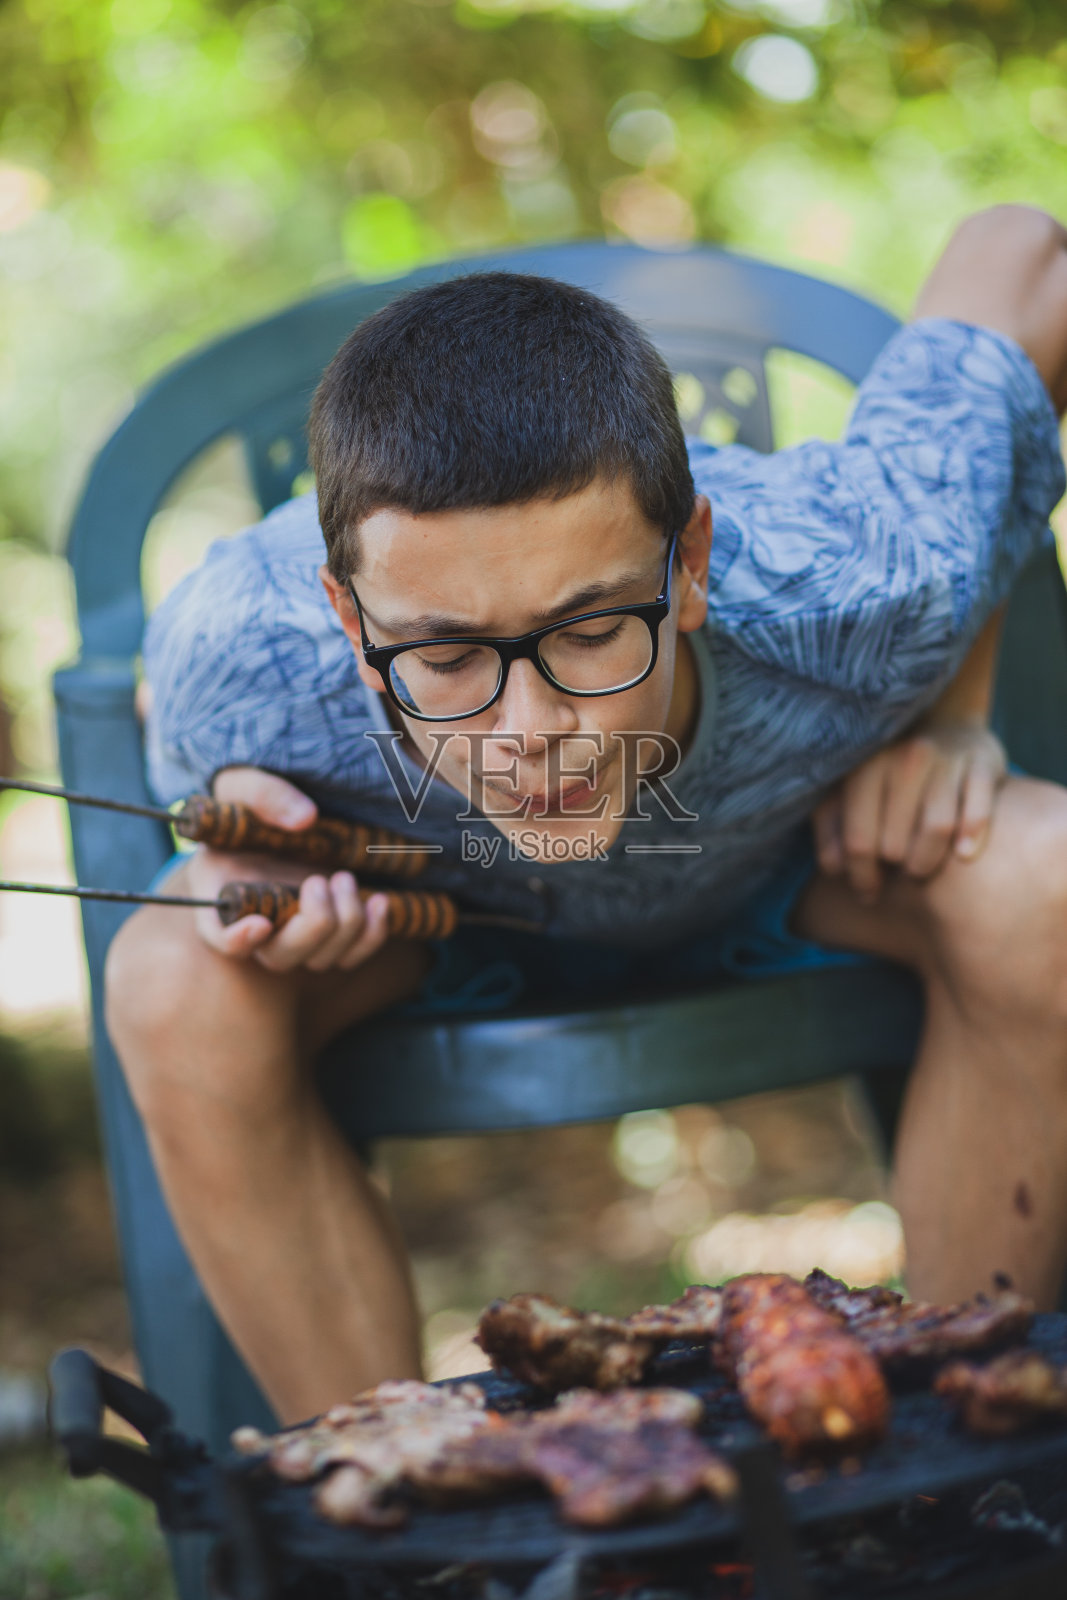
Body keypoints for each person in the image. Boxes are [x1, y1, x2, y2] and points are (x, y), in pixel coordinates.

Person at [106, 205, 1067, 1424]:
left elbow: (1019, 247)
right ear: (348, 624)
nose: (531, 730)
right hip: (440, 929)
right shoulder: (241, 649)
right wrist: (245, 847)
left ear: (690, 563)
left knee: (1040, 866)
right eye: (445, 655)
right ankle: (392, 1478)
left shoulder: (856, 567)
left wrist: (952, 713)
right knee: (172, 969)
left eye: (591, 629)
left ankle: (951, 1451)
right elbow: (177, 762)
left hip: (799, 871)